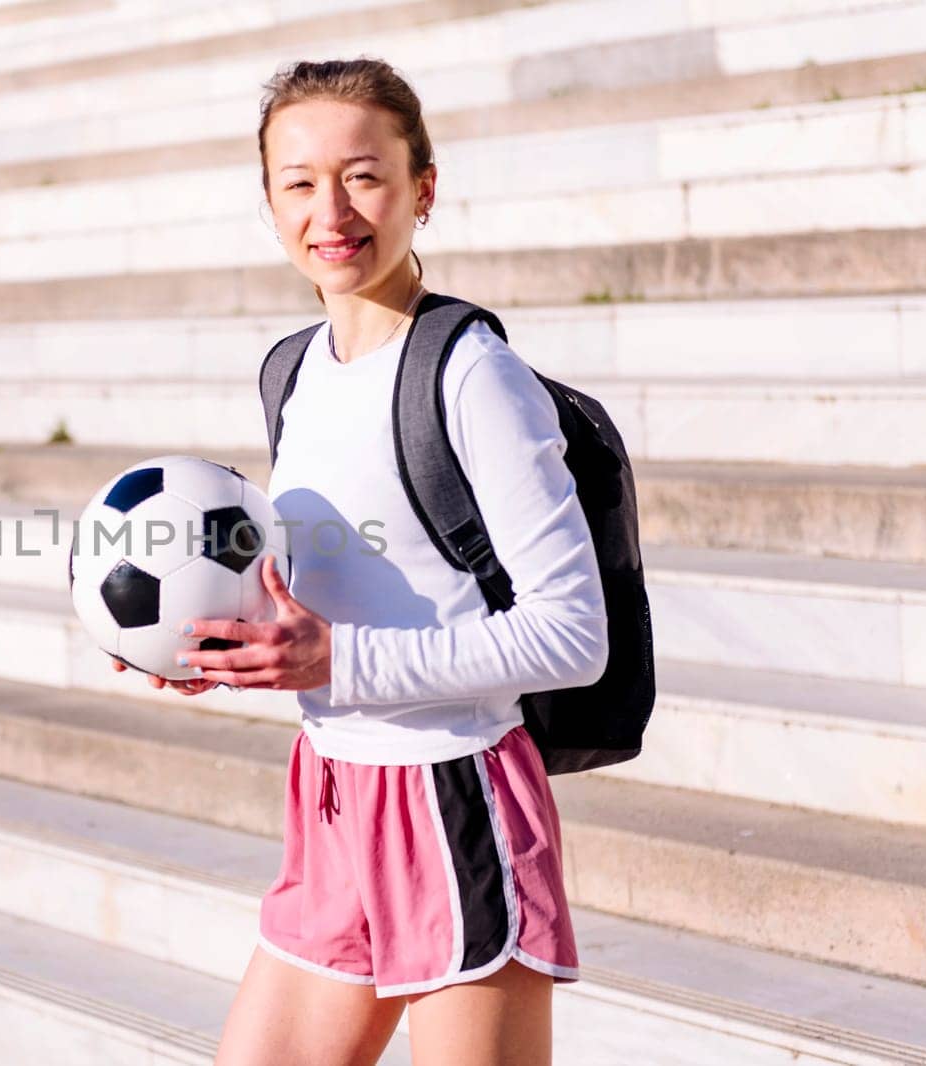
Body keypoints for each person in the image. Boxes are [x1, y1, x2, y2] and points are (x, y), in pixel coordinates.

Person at [113, 56, 607, 1065]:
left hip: (453, 793)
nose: (329, 209)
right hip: (332, 791)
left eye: (363, 175)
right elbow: (335, 589)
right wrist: (206, 643)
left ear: (423, 187)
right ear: (267, 199)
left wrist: (337, 661)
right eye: (297, 181)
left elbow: (572, 634)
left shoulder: (475, 376)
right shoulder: (291, 371)